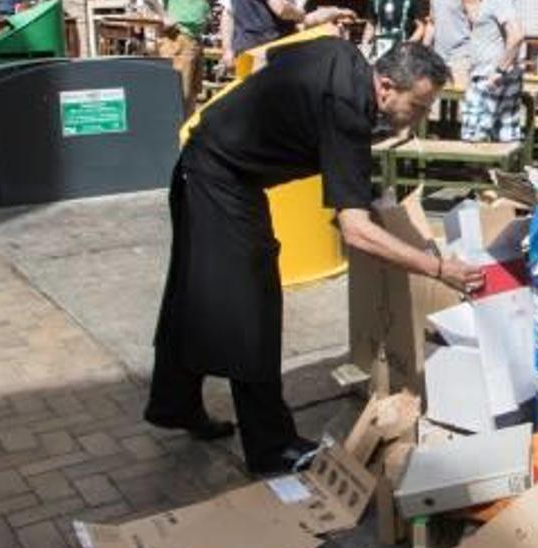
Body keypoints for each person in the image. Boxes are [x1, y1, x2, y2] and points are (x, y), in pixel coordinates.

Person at [144, 39, 485, 476]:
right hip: (216, 177)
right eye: (417, 106)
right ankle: (271, 446)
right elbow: (356, 231)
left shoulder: (339, 52)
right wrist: (438, 269)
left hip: (214, 167)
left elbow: (273, 58)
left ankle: (173, 403)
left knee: (197, 293)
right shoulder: (347, 112)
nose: (419, 120)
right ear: (384, 87)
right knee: (250, 310)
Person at [458, 0, 524, 143]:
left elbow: (517, 35)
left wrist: (500, 71)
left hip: (491, 77)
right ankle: (503, 166)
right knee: (505, 136)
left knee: (472, 137)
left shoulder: (498, 2)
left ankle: (478, 165)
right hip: (493, 75)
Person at [144, 0, 212, 115]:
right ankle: (171, 131)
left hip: (195, 39)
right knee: (178, 95)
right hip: (178, 37)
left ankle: (185, 131)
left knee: (191, 94)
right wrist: (164, 16)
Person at [231, 0, 354, 55]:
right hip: (265, 51)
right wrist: (300, 14)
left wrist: (336, 12)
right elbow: (282, 8)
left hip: (247, 47)